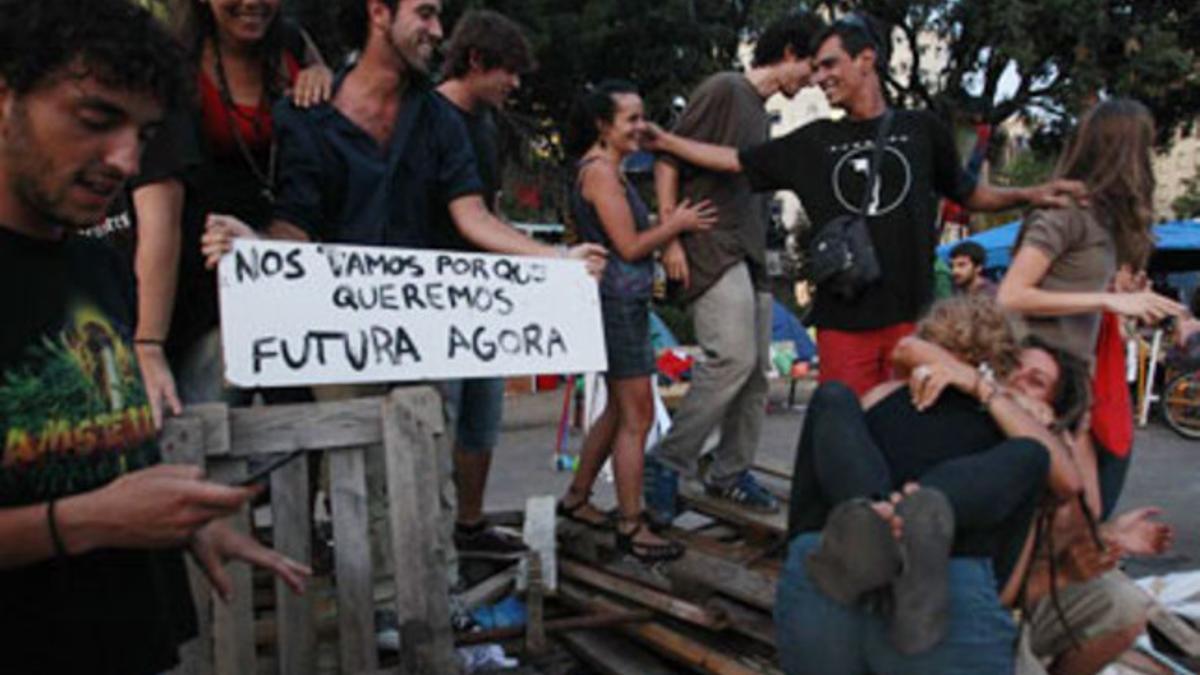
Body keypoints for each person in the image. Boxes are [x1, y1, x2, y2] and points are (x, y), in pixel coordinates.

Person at [0, 2, 310, 673]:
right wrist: (91, 519)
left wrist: (179, 522)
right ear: (7, 97)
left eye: (143, 134)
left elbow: (93, 465)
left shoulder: (99, 268)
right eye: (96, 119)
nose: (124, 160)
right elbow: (92, 509)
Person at [644, 13, 1087, 398]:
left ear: (866, 60)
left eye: (830, 64)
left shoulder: (921, 129)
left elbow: (969, 194)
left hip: (912, 320)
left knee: (905, 430)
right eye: (815, 68)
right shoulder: (815, 141)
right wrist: (667, 141)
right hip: (842, 321)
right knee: (845, 432)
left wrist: (1030, 195)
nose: (820, 78)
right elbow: (733, 160)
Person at [643, 12, 825, 525]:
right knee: (732, 360)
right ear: (790, 52)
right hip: (710, 244)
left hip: (750, 253)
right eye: (811, 66)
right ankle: (667, 461)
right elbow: (665, 156)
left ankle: (729, 473)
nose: (813, 79)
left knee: (756, 375)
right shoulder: (725, 89)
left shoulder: (762, 113)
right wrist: (670, 236)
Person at [122, 0, 333, 421]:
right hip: (191, 287)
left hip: (274, 279)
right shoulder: (174, 71)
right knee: (196, 429)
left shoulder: (290, 45)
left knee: (300, 437)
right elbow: (159, 218)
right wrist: (149, 344)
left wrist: (320, 76)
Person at [997, 98, 1185, 525]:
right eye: (1146, 145)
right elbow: (1012, 293)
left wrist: (1122, 292)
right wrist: (1109, 300)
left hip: (1074, 387)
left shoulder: (1099, 221)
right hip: (1040, 385)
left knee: (1084, 519)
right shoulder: (1066, 215)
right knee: (1065, 522)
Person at [556, 80, 716, 562]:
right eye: (631, 119)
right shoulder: (601, 172)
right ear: (604, 126)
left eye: (643, 116)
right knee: (638, 416)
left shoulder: (609, 169)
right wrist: (676, 226)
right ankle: (631, 523)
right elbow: (628, 247)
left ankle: (578, 498)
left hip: (618, 303)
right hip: (618, 304)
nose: (641, 126)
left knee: (616, 412)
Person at [434, 9, 537, 559]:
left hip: (480, 290)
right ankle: (433, 528)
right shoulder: (427, 115)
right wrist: (553, 257)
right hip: (432, 291)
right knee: (439, 417)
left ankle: (468, 526)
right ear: (476, 61)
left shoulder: (487, 124)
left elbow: (491, 210)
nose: (514, 85)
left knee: (483, 411)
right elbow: (468, 214)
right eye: (509, 72)